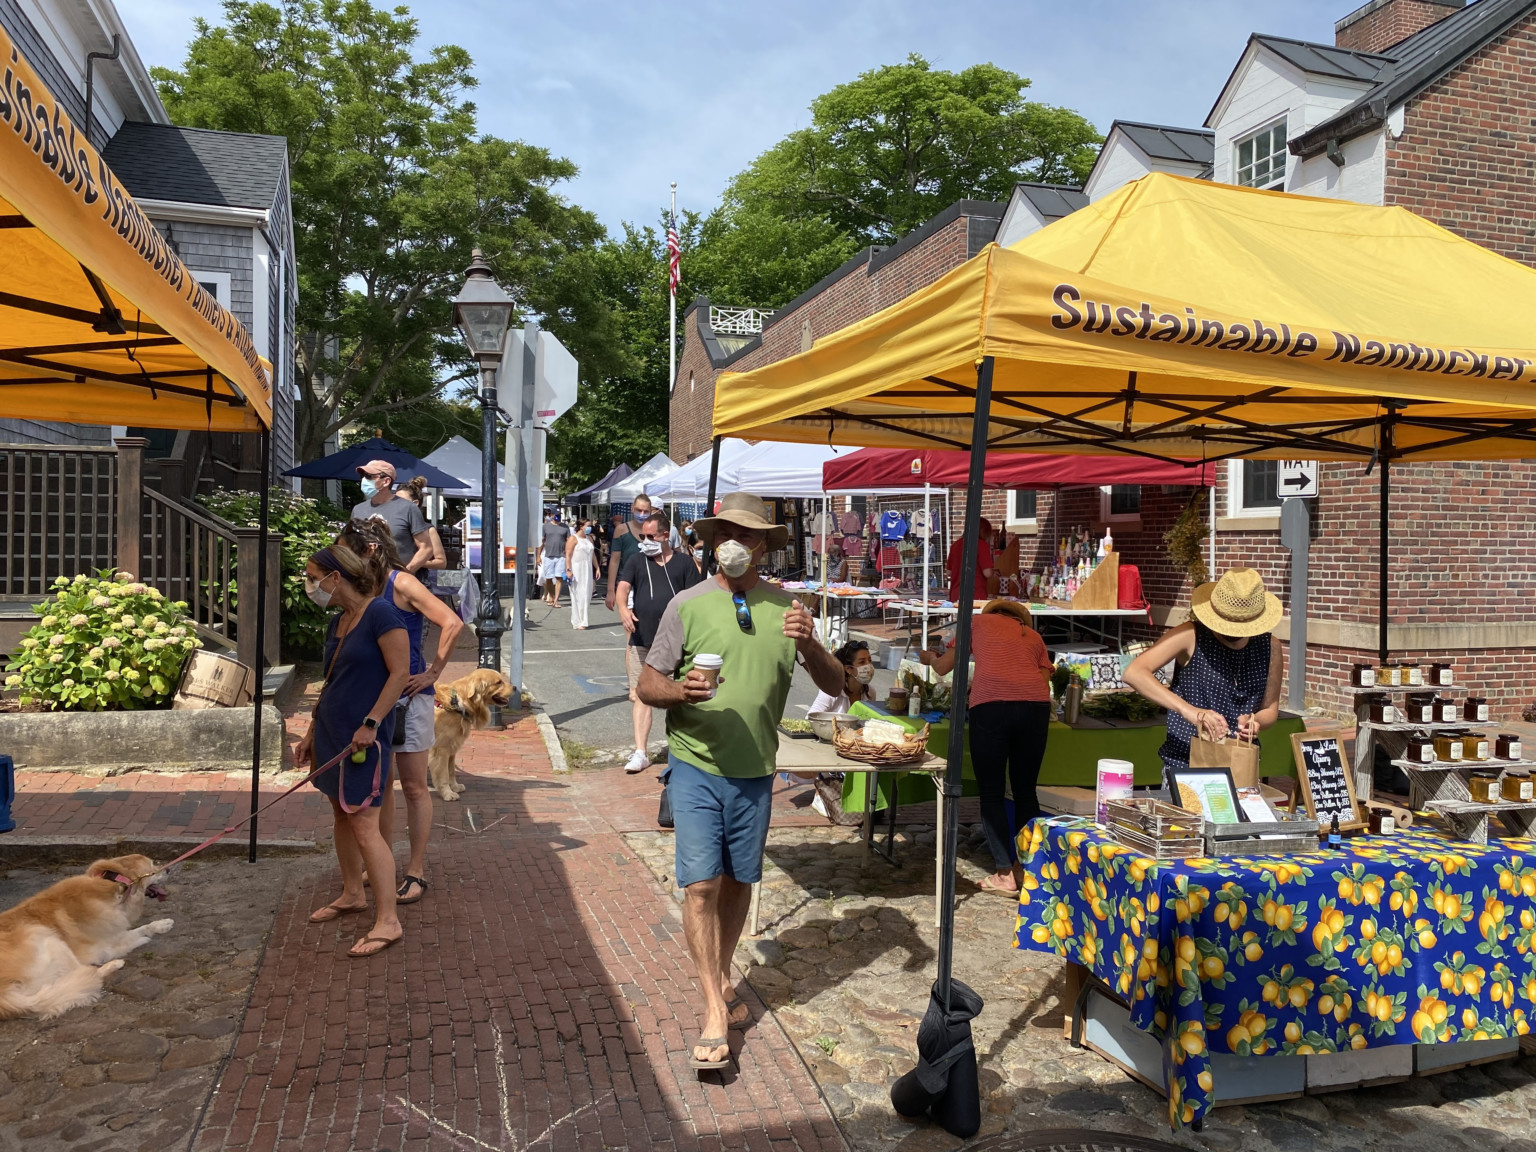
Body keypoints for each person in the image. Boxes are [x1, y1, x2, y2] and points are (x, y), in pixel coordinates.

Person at [637, 493, 844, 1071]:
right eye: (726, 532)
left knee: (737, 881)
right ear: (709, 541)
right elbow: (648, 686)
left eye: (748, 535)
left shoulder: (788, 607)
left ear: (763, 547)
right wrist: (681, 692)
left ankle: (720, 972)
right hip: (696, 763)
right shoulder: (687, 605)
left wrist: (810, 642)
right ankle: (711, 1008)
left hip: (756, 768)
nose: (736, 543)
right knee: (701, 885)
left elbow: (837, 683)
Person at [335, 519, 464, 906]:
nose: (342, 559)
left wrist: (432, 673)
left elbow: (451, 622)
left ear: (369, 550)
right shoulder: (363, 588)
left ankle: (417, 870)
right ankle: (383, 865)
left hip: (409, 699)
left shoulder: (402, 582)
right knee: (382, 786)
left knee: (412, 785)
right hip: (373, 700)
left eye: (347, 551)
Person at [295, 545, 410, 957]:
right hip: (332, 733)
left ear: (335, 577)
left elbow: (400, 674)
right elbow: (331, 682)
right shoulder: (337, 623)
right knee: (341, 815)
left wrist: (372, 723)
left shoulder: (380, 613)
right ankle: (351, 893)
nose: (311, 585)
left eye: (313, 577)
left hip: (364, 740)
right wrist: (310, 731)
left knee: (364, 822)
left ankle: (389, 920)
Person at [921, 599, 1053, 896]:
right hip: (1035, 711)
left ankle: (1005, 873)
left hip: (990, 708)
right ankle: (1025, 869)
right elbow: (1043, 684)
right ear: (1019, 618)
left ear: (991, 613)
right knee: (1025, 791)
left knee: (992, 791)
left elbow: (943, 667)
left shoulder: (975, 623)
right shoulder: (1032, 636)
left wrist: (927, 656)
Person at [1122, 567, 1284, 781]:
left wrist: (1256, 722)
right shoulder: (1191, 635)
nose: (1231, 632)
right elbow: (1134, 673)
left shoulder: (1270, 647)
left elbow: (1270, 708)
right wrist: (1189, 711)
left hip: (1240, 764)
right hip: (1186, 763)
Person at [617, 511, 703, 772]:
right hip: (643, 638)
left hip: (677, 643)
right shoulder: (636, 560)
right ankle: (641, 751)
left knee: (682, 693)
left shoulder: (684, 564)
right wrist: (623, 609)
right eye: (642, 536)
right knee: (643, 693)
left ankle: (685, 749)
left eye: (650, 536)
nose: (645, 540)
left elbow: (695, 598)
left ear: (666, 535)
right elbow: (623, 587)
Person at [351, 460, 433, 575]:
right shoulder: (358, 509)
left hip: (396, 586)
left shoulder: (408, 508)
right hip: (365, 582)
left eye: (369, 476)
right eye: (362, 476)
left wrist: (403, 575)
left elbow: (426, 548)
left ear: (386, 481)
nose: (364, 480)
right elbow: (350, 545)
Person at [606, 493, 656, 611]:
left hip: (650, 582)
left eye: (646, 511)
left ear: (651, 511)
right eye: (639, 510)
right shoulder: (621, 530)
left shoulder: (655, 530)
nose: (642, 514)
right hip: (627, 584)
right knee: (630, 624)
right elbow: (615, 560)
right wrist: (610, 590)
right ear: (632, 509)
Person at [396, 476, 448, 588]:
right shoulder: (392, 526)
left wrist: (417, 561)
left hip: (417, 583)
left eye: (402, 501)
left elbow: (441, 562)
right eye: (395, 500)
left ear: (415, 503)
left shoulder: (428, 530)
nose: (396, 505)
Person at [809, 638, 877, 714]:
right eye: (862, 662)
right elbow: (811, 717)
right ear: (848, 669)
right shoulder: (831, 691)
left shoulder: (870, 692)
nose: (868, 666)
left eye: (869, 661)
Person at [945, 517, 995, 604]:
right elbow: (987, 573)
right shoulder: (981, 545)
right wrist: (994, 572)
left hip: (956, 594)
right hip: (976, 594)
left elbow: (949, 572)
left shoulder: (956, 545)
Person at [565, 519, 601, 629]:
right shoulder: (573, 538)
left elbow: (593, 554)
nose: (589, 528)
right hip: (577, 568)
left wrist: (597, 567)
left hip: (587, 568)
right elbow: (568, 555)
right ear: (581, 526)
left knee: (587, 594)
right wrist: (568, 569)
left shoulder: (589, 538)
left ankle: (584, 619)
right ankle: (578, 621)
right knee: (578, 594)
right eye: (587, 525)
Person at [539, 511, 570, 607]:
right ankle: (551, 596)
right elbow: (542, 541)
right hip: (548, 556)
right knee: (548, 578)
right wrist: (538, 556)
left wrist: (569, 555)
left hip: (561, 556)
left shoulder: (565, 527)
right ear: (551, 516)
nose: (558, 517)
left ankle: (556, 600)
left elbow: (568, 541)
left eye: (559, 515)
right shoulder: (545, 527)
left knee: (559, 578)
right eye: (556, 515)